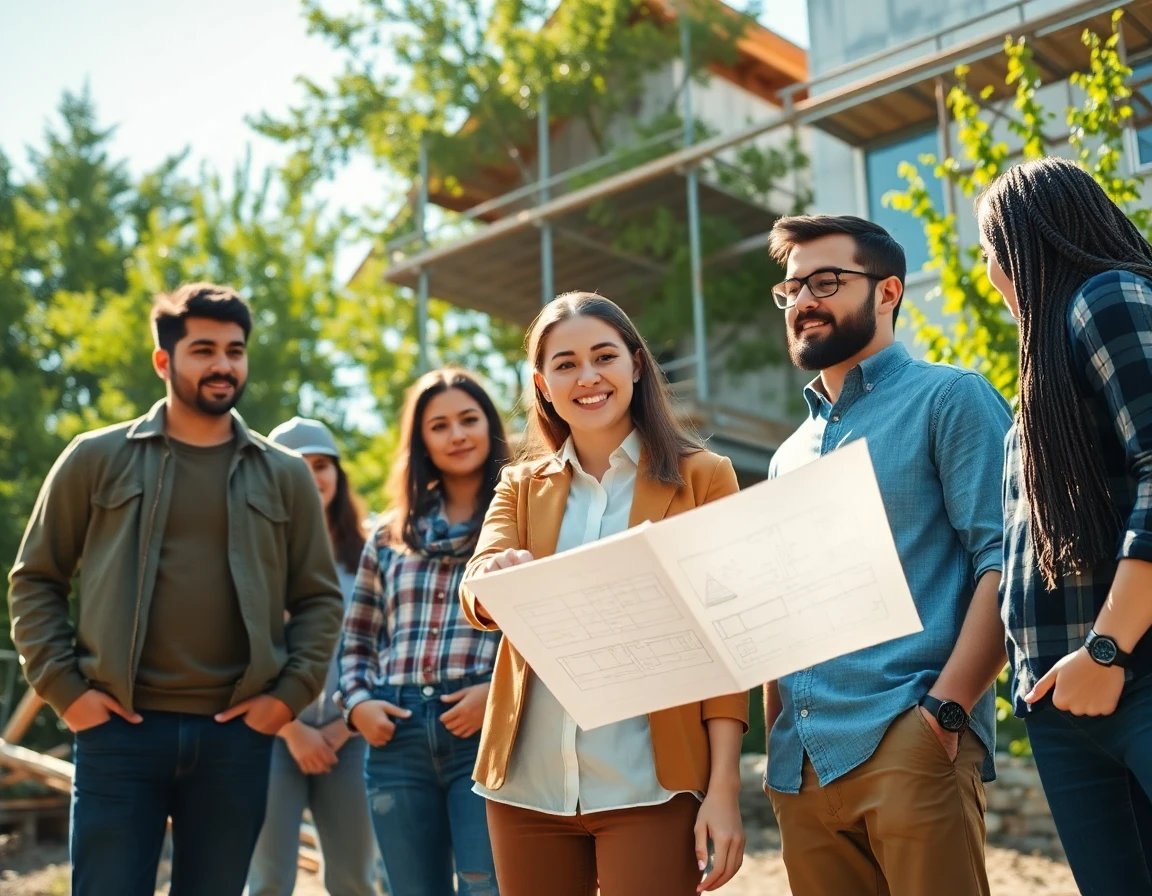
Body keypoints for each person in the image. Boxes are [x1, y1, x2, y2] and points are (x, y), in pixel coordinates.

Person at [7, 283, 344, 896]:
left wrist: (285, 700)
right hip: (118, 730)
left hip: (237, 736)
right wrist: (67, 692)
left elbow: (320, 600)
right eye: (204, 350)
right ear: (164, 360)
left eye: (235, 350)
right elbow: (36, 579)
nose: (223, 365)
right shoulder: (94, 457)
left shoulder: (286, 475)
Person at [460, 291, 749, 896]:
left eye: (603, 356)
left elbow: (728, 643)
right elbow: (478, 582)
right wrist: (494, 577)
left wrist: (723, 787)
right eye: (565, 364)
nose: (587, 377)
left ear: (635, 364)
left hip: (651, 782)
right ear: (542, 385)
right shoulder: (518, 485)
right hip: (527, 785)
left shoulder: (705, 478)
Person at [762, 216, 1012, 896]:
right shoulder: (787, 456)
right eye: (791, 289)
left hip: (911, 737)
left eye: (825, 282)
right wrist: (777, 738)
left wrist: (945, 712)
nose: (803, 301)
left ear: (888, 292)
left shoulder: (950, 398)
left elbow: (1007, 560)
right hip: (801, 765)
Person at [978, 157, 1152, 895]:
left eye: (989, 250)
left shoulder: (1107, 297)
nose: (988, 272)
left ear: (1025, 244)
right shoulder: (1043, 366)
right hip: (1063, 702)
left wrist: (1106, 650)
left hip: (1131, 673)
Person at [339, 368, 508, 896]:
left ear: (490, 426)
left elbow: (543, 631)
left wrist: (497, 695)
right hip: (396, 733)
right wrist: (358, 704)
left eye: (469, 419)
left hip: (483, 730)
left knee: (486, 887)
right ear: (422, 441)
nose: (457, 435)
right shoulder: (389, 536)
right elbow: (358, 639)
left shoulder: (520, 523)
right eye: (439, 425)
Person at [247, 417, 379, 895]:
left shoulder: (370, 554)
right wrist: (292, 730)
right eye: (296, 465)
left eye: (321, 465)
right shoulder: (248, 554)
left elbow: (383, 646)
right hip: (268, 734)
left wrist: (343, 728)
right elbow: (236, 651)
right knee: (268, 880)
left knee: (355, 879)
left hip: (352, 736)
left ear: (337, 475)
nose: (311, 475)